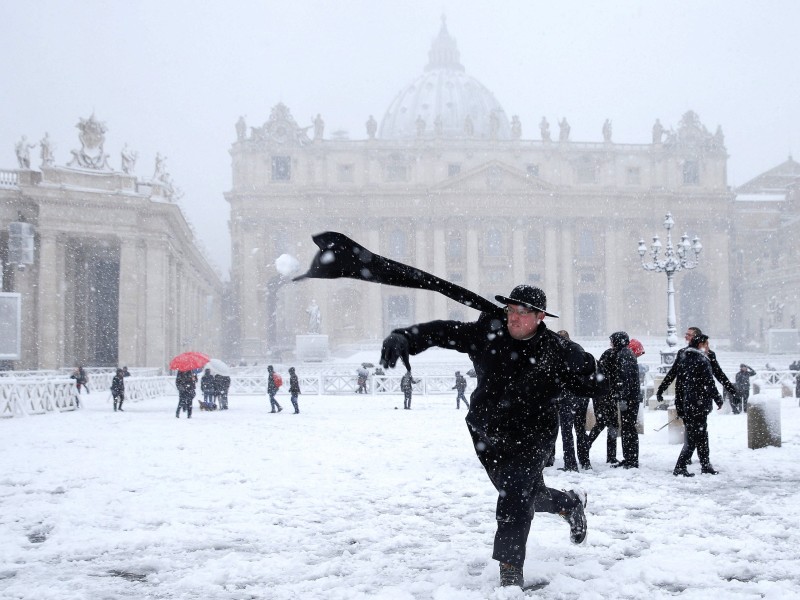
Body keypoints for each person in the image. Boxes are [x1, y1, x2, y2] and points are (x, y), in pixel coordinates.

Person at [379, 284, 608, 588]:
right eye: (511, 310)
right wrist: (405, 337)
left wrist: (596, 375)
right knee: (526, 495)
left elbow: (594, 383)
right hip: (488, 432)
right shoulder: (488, 333)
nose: (513, 318)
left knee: (514, 493)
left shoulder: (559, 350)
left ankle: (510, 570)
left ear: (540, 316)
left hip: (533, 434)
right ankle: (569, 504)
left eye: (522, 312)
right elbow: (444, 330)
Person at [583, 332, 638, 469]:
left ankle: (606, 454)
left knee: (610, 424)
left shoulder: (618, 354)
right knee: (606, 424)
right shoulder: (614, 354)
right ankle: (591, 448)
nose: (611, 343)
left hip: (608, 395)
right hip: (606, 396)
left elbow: (613, 375)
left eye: (612, 341)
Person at [671, 334, 723, 476]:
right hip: (699, 404)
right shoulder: (702, 360)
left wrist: (680, 404)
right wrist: (718, 398)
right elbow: (709, 383)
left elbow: (679, 384)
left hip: (689, 403)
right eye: (706, 344)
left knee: (700, 436)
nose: (708, 347)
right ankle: (681, 466)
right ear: (701, 345)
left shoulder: (684, 358)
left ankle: (705, 464)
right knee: (695, 437)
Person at [555, 330, 591, 472]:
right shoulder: (578, 348)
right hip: (582, 395)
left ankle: (570, 464)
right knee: (580, 429)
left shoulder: (561, 352)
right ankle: (585, 461)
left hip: (568, 397)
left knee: (566, 430)